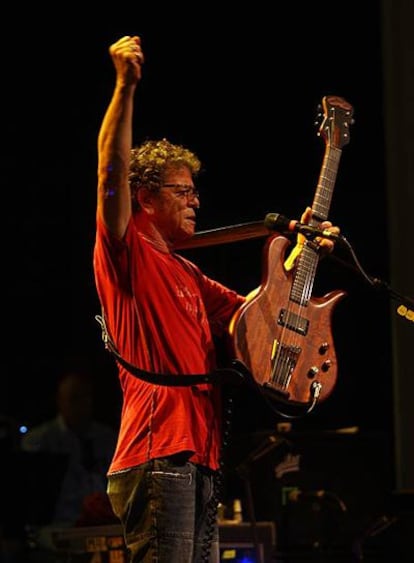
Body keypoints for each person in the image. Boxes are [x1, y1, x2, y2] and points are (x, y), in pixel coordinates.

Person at [93, 34, 341, 563]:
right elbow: (109, 173)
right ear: (146, 198)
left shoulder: (186, 273)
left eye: (195, 192)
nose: (196, 202)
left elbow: (268, 309)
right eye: (184, 192)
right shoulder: (126, 252)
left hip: (196, 456)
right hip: (159, 451)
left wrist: (305, 251)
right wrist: (124, 87)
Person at [20, 368, 117, 529]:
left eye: (86, 397)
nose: (82, 404)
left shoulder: (107, 438)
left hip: (103, 523)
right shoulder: (38, 441)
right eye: (74, 398)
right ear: (60, 400)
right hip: (57, 526)